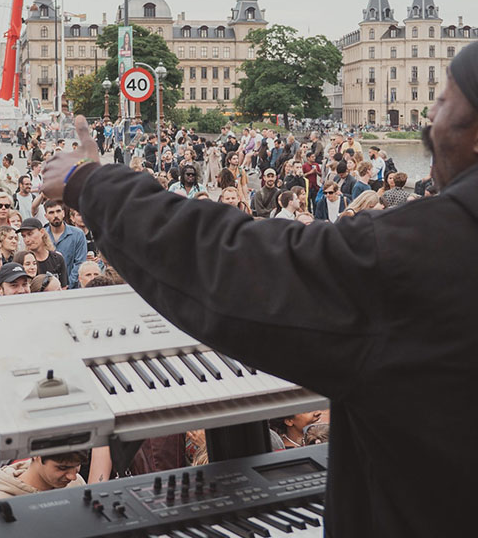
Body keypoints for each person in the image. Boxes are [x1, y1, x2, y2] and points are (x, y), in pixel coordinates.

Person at [43, 66, 478, 538]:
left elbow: (235, 263)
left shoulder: (422, 250)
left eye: (443, 101)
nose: (429, 116)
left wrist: (94, 185)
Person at [0, 450, 87, 501]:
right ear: (36, 456)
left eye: (77, 466)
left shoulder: (76, 483)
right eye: (62, 468)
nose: (73, 476)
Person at [18, 218, 67, 286]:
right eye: (23, 236)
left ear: (42, 232)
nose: (27, 240)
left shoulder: (57, 259)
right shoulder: (22, 261)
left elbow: (64, 287)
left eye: (30, 234)